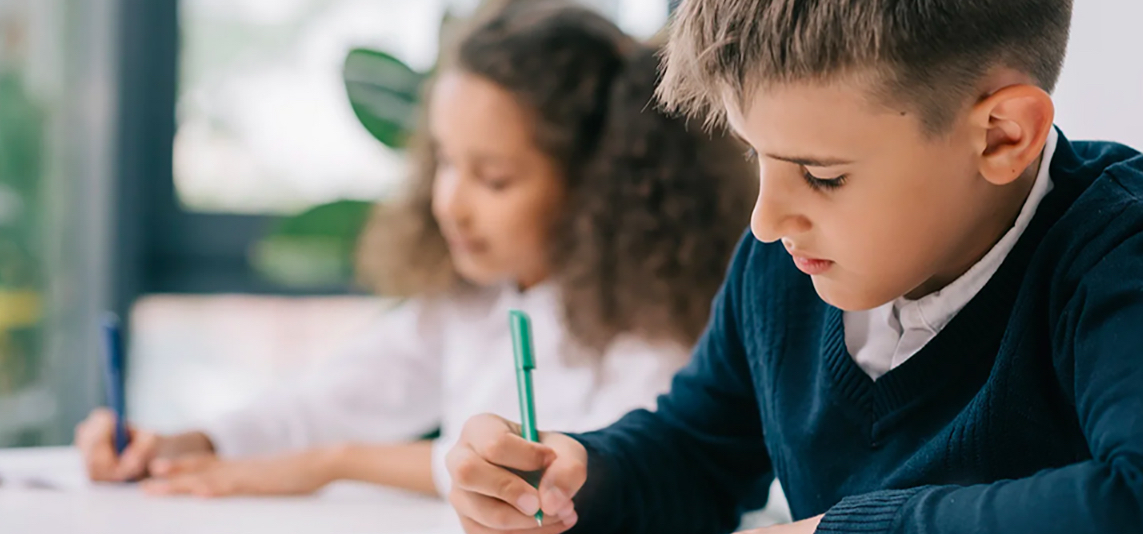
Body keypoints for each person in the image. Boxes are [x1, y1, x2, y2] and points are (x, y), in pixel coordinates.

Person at [440, 1, 1143, 534]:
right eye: (757, 156)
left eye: (822, 175)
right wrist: (580, 478)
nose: (765, 219)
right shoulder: (791, 257)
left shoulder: (1141, 258)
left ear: (1003, 135)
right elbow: (700, 450)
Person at [74, 0, 754, 499]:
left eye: (493, 178)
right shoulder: (469, 304)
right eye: (446, 165)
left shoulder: (657, 328)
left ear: (598, 186)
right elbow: (329, 399)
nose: (449, 202)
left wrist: (333, 463)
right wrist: (189, 444)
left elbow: (562, 471)